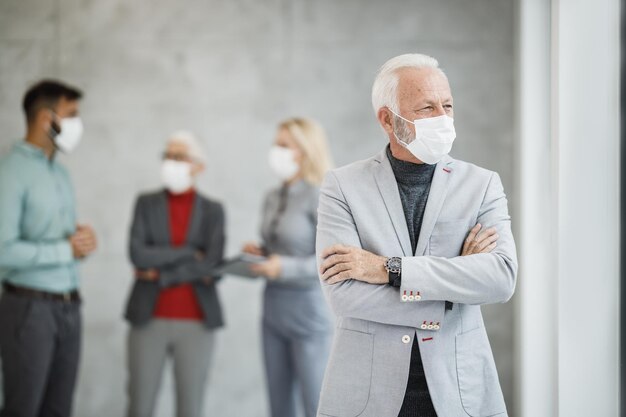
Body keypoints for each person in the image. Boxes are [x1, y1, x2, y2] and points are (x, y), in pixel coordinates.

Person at [316, 53, 517, 417]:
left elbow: (500, 278)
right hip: (367, 394)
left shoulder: (482, 185)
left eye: (448, 105)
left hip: (459, 390)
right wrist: (452, 290)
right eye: (427, 107)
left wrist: (390, 270)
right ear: (388, 120)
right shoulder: (342, 186)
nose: (442, 117)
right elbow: (342, 295)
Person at [0, 80, 97, 417]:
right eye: (72, 114)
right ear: (46, 119)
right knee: (23, 408)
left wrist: (83, 246)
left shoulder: (61, 174)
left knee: (59, 410)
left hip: (69, 308)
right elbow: (3, 251)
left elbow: (65, 242)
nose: (77, 123)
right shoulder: (10, 172)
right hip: (29, 310)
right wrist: (64, 251)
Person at [123, 131, 225, 417]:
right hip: (148, 318)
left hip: (197, 322)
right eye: (167, 155)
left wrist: (161, 275)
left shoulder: (213, 211)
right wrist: (189, 251)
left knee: (190, 408)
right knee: (139, 406)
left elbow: (212, 264)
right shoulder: (145, 203)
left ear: (198, 166)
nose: (170, 161)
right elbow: (138, 254)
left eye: (178, 156)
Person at [242, 117, 334, 417]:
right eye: (275, 144)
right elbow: (281, 246)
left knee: (314, 405)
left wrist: (284, 268)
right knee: (279, 406)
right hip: (273, 312)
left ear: (304, 151)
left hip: (307, 315)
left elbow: (331, 260)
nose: (275, 151)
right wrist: (261, 253)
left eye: (284, 145)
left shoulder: (320, 195)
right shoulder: (272, 197)